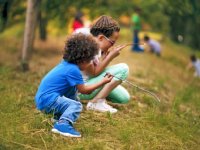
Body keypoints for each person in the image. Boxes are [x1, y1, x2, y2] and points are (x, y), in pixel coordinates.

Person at [35, 33, 113, 138]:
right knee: (76, 105)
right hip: (48, 100)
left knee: (74, 95)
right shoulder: (73, 70)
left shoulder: (66, 64)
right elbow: (84, 90)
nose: (90, 64)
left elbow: (74, 92)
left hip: (44, 99)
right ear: (82, 60)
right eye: (90, 61)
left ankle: (58, 117)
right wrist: (103, 82)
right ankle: (62, 125)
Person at [75, 15, 130, 113]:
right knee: (123, 68)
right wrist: (110, 57)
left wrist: (104, 57)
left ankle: (101, 96)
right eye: (112, 42)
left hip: (90, 82)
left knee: (124, 98)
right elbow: (94, 73)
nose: (112, 45)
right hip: (82, 89)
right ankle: (96, 102)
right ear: (101, 38)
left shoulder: (96, 44)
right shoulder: (87, 46)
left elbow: (94, 68)